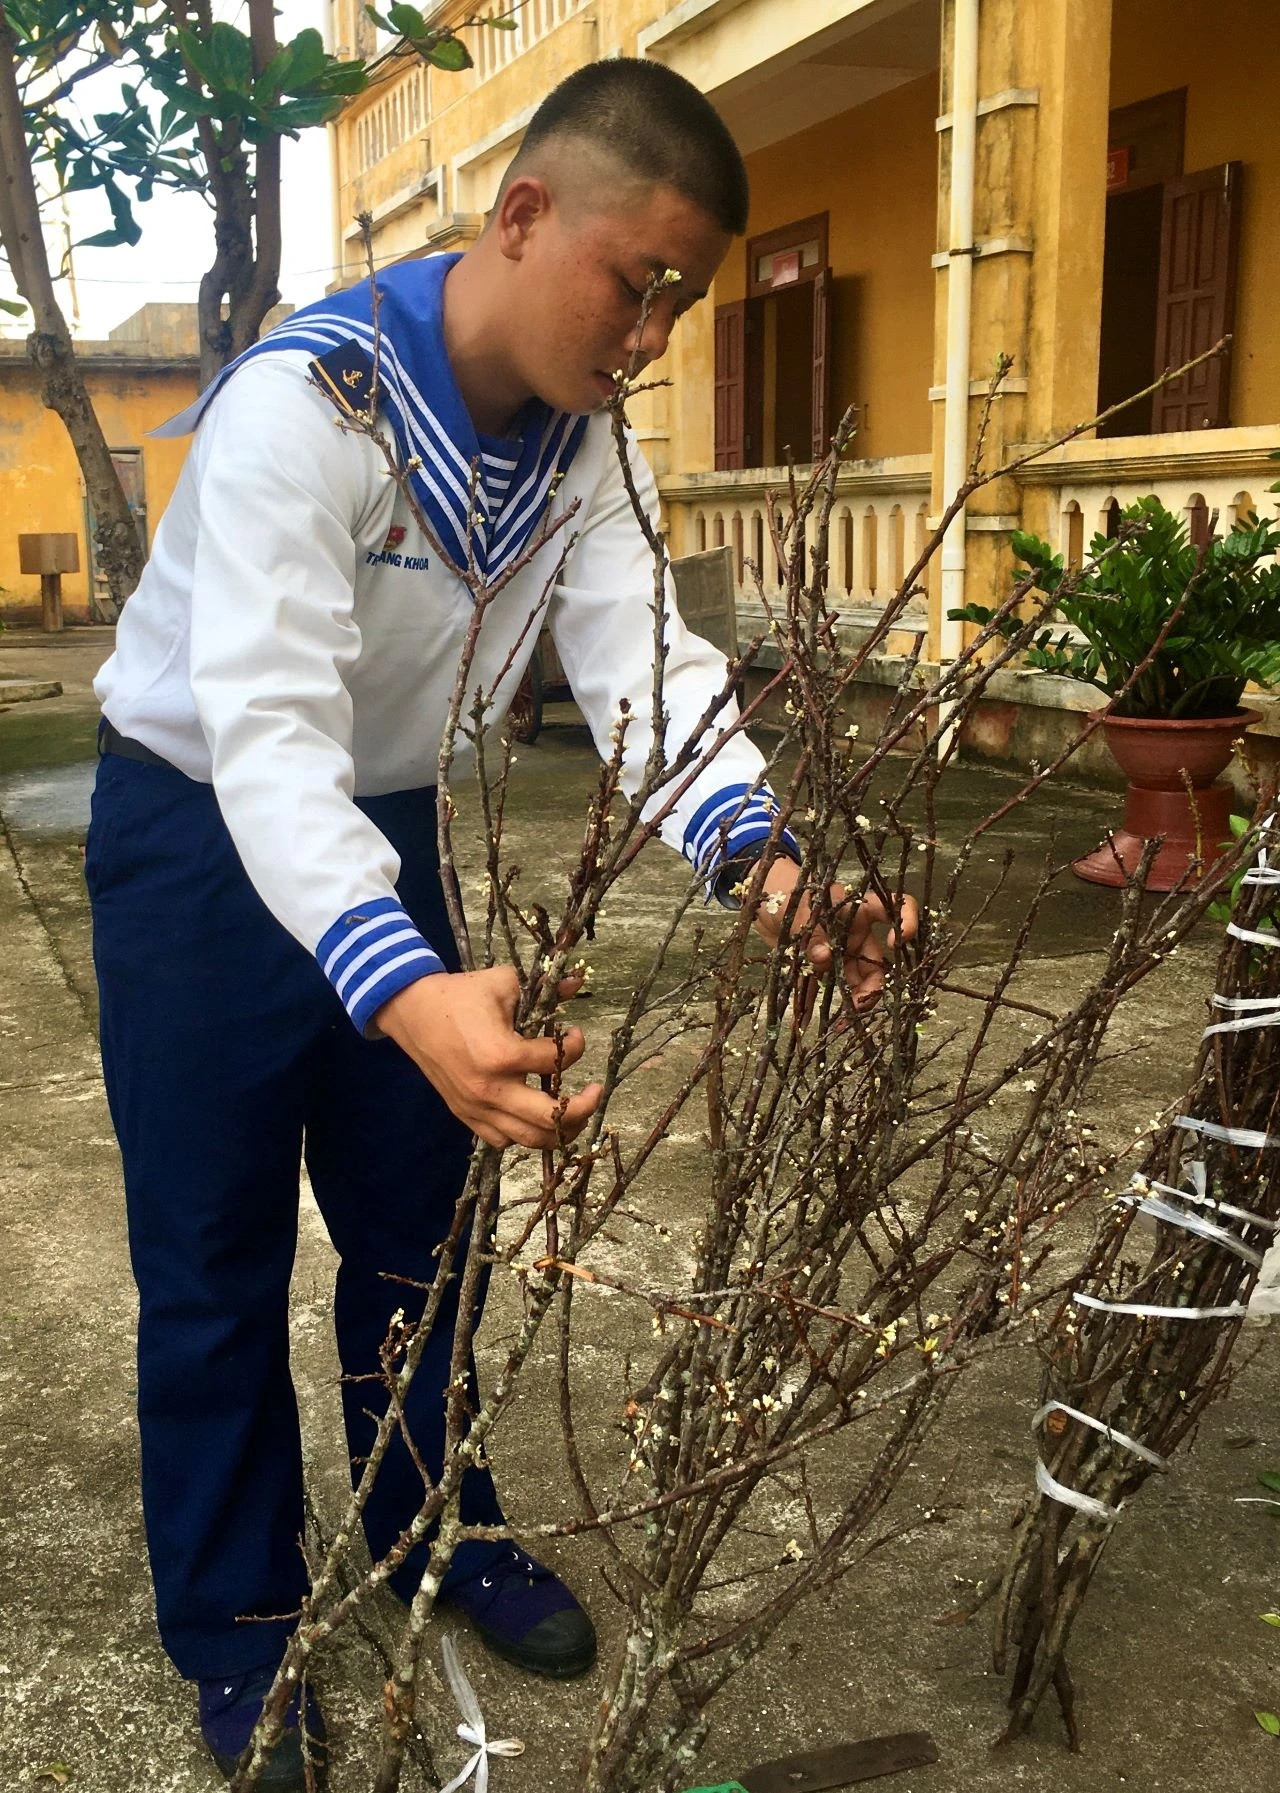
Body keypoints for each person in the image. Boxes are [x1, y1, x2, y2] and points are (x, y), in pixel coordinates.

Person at [87, 56, 909, 1788]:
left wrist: (773, 870)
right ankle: (240, 1625)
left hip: (385, 823)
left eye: (682, 300)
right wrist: (405, 987)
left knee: (421, 1226)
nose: (654, 334)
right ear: (524, 215)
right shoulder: (305, 408)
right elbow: (265, 732)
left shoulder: (584, 448)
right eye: (640, 281)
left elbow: (644, 668)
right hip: (195, 827)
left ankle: (433, 1527)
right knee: (214, 1252)